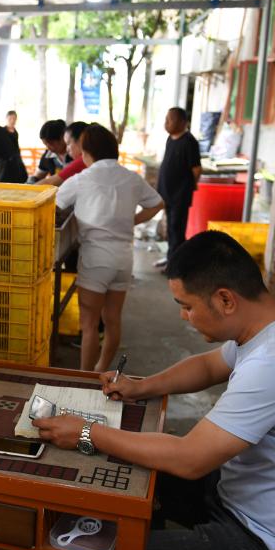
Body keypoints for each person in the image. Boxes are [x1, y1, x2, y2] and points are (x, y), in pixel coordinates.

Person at [32, 231, 275, 550]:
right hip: (243, 497)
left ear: (225, 300)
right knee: (136, 478)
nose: (184, 317)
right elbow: (208, 366)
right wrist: (141, 386)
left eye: (187, 306)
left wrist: (86, 432)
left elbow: (190, 459)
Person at [55, 124, 163, 372]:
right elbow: (157, 203)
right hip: (123, 259)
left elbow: (55, 205)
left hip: (95, 258)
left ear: (86, 152)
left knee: (89, 325)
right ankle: (101, 369)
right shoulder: (131, 178)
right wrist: (131, 221)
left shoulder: (81, 179)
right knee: (113, 321)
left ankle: (85, 377)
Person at [156, 107, 202, 266]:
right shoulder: (170, 139)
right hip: (166, 193)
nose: (166, 123)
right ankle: (171, 257)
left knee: (177, 230)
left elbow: (196, 169)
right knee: (170, 228)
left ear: (183, 122)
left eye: (170, 120)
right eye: (166, 119)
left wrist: (189, 186)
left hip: (180, 196)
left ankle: (176, 264)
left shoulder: (189, 142)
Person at [37, 121, 88, 187]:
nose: (48, 147)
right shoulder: (47, 156)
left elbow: (51, 181)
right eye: (45, 144)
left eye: (68, 143)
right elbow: (39, 175)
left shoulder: (83, 160)